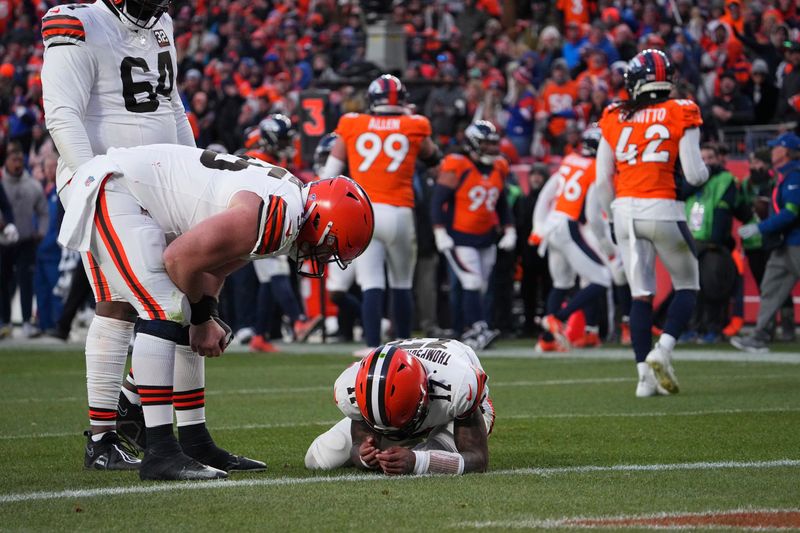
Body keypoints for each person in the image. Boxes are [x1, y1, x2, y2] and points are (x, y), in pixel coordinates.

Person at [58, 144, 375, 480]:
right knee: (166, 308)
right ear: (321, 221)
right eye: (329, 247)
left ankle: (194, 441)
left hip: (129, 191)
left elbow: (214, 268)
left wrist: (205, 313)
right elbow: (179, 258)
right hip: (116, 189)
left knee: (184, 309)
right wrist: (200, 318)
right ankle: (160, 450)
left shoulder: (290, 206)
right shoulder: (277, 214)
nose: (323, 257)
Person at [40, 0, 195, 470]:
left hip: (157, 177)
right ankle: (153, 438)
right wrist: (93, 182)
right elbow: (62, 113)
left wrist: (194, 172)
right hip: (105, 177)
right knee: (164, 295)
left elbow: (173, 105)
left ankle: (110, 432)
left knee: (121, 304)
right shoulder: (77, 21)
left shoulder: (160, 23)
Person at [595, 49, 709, 398]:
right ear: (669, 79)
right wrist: (700, 177)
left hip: (625, 211)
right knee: (688, 285)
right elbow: (694, 172)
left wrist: (611, 217)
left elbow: (601, 181)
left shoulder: (615, 114)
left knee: (640, 294)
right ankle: (664, 349)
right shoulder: (681, 109)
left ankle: (644, 377)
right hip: (663, 207)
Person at [320, 74, 440, 356]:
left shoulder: (352, 123)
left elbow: (329, 174)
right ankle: (405, 345)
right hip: (400, 212)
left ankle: (372, 345)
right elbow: (433, 157)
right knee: (402, 282)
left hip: (367, 213)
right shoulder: (414, 124)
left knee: (371, 281)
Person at [305, 338, 492, 475]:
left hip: (454, 414)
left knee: (427, 454)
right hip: (393, 403)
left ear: (423, 395)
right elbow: (358, 443)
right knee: (321, 457)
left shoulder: (458, 386)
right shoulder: (352, 386)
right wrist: (363, 455)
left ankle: (420, 450)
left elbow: (477, 459)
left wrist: (418, 461)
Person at [431, 121, 515, 350]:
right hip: (459, 238)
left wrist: (509, 227)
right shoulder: (457, 164)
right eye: (486, 143)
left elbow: (500, 202)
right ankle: (477, 329)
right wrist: (439, 231)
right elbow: (439, 200)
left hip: (485, 238)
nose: (492, 148)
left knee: (481, 287)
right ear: (473, 144)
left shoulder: (499, 166)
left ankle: (471, 330)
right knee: (471, 282)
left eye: (493, 143)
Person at [530, 126, 615, 351]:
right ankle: (558, 318)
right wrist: (606, 244)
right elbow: (593, 216)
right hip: (568, 227)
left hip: (552, 224)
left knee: (561, 283)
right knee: (603, 278)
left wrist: (538, 226)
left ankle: (547, 341)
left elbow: (546, 195)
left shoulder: (570, 159)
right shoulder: (596, 168)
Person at [731, 132, 800, 354]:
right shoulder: (784, 175)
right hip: (784, 243)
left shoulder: (795, 176)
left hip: (796, 242)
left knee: (770, 286)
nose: (771, 151)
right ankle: (760, 335)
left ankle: (761, 334)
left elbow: (791, 213)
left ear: (786, 152)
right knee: (769, 286)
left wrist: (759, 227)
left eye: (775, 147)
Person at [681, 144, 738, 344]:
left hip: (712, 244)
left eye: (710, 157)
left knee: (712, 286)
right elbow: (680, 194)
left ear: (717, 159)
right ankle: (691, 327)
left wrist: (716, 240)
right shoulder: (690, 178)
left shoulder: (726, 179)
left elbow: (724, 210)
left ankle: (713, 328)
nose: (706, 162)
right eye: (702, 158)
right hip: (690, 241)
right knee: (689, 288)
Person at [0, 141, 48, 339]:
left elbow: (43, 212)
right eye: (14, 160)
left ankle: (27, 321)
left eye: (20, 159)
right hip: (3, 241)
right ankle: (5, 321)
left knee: (26, 280)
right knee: (2, 281)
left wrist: (41, 232)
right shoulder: (1, 184)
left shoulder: (33, 185)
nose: (18, 163)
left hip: (27, 240)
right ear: (7, 162)